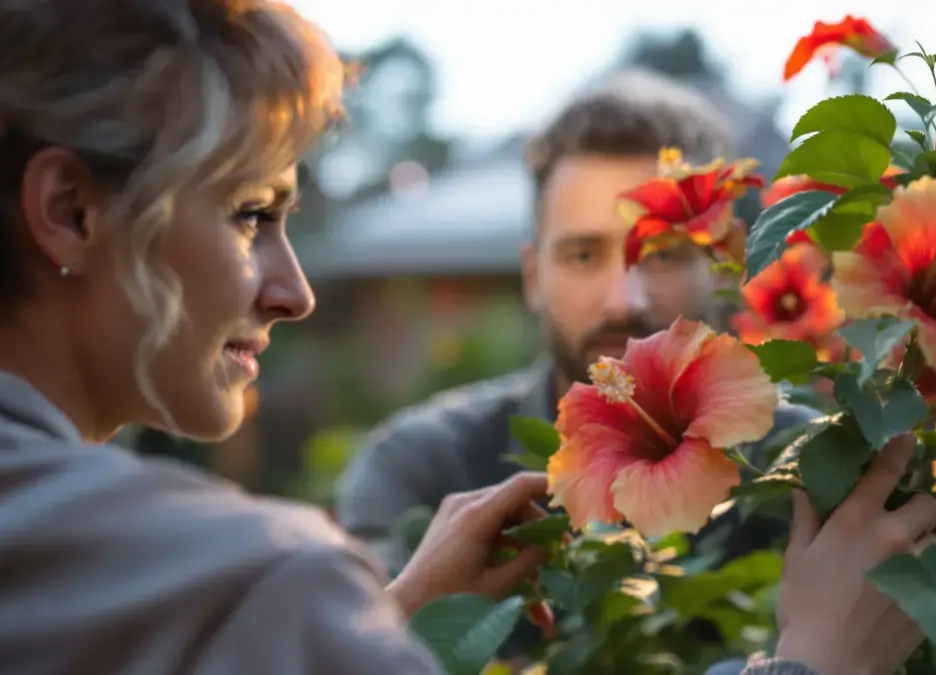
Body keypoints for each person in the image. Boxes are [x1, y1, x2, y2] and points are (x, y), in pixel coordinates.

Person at [0, 2, 936, 674]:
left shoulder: (817, 461)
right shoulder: (254, 584)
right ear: (70, 210)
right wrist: (813, 664)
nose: (295, 291)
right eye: (250, 212)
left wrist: (379, 625)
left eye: (670, 252)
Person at [337, 70, 819, 577]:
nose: (624, 301)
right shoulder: (424, 469)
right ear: (533, 276)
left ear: (725, 264)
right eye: (584, 255)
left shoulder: (803, 465)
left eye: (663, 255)